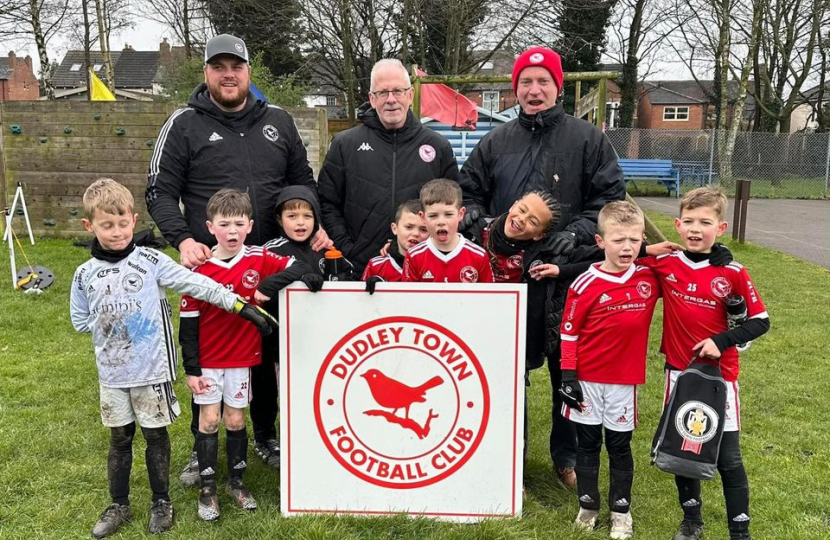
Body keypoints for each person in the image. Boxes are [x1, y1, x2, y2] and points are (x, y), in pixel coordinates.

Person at [145, 33, 330, 481]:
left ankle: (265, 435)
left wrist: (315, 224)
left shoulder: (280, 121)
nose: (229, 75)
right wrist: (182, 239)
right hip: (211, 268)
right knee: (209, 353)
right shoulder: (184, 123)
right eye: (219, 67)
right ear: (206, 73)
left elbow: (302, 181)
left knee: (266, 349)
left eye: (237, 67)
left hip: (268, 264)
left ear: (249, 72)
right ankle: (201, 442)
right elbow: (159, 191)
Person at [70, 179, 277, 538]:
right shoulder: (84, 274)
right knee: (119, 439)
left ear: (133, 221)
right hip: (113, 375)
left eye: (123, 224)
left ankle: (160, 502)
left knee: (154, 436)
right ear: (90, 226)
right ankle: (119, 503)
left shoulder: (151, 261)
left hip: (152, 372)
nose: (117, 232)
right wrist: (114, 323)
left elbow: (199, 285)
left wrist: (241, 306)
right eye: (107, 225)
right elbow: (79, 320)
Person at [458, 46, 626, 486]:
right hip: (508, 278)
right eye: (526, 83)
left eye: (543, 82)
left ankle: (565, 457)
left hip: (567, 276)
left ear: (557, 87)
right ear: (516, 89)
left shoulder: (587, 139)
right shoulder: (495, 141)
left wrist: (577, 232)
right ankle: (507, 448)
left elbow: (609, 197)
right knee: (504, 368)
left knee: (565, 367)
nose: (534, 91)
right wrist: (484, 222)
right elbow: (468, 193)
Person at [178, 189, 321, 521]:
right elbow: (188, 327)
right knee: (210, 420)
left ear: (250, 225)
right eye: (224, 224)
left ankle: (237, 484)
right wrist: (191, 369)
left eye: (239, 224)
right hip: (209, 362)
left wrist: (270, 286)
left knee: (236, 420)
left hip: (243, 360)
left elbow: (299, 265)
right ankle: (208, 490)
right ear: (209, 227)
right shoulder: (197, 271)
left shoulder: (258, 258)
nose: (232, 231)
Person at [638, 187, 770, 540]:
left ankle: (739, 532)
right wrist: (649, 248)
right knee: (686, 454)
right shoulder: (666, 265)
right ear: (678, 225)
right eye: (690, 222)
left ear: (721, 227)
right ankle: (692, 522)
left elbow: (760, 321)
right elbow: (615, 252)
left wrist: (721, 340)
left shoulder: (733, 271)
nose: (697, 229)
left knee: (728, 458)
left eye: (706, 222)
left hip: (719, 379)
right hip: (679, 376)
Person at [558, 201, 662, 540]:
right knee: (587, 445)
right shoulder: (585, 283)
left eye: (634, 240)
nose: (627, 247)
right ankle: (588, 507)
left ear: (642, 240)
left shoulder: (649, 277)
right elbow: (569, 332)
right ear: (601, 241)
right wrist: (569, 377)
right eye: (618, 240)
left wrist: (715, 252)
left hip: (623, 383)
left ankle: (621, 512)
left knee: (619, 446)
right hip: (587, 381)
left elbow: (688, 266)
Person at [319, 58, 459, 274]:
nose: (391, 100)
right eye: (383, 93)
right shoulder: (345, 144)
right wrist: (348, 249)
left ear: (410, 95)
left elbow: (452, 207)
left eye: (398, 91)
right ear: (372, 99)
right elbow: (328, 203)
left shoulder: (437, 146)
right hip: (359, 268)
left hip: (423, 270)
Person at [402, 179, 493, 284]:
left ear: (461, 214)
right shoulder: (413, 256)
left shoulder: (479, 256)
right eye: (433, 215)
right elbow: (408, 298)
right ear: (423, 218)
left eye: (448, 214)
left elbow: (487, 298)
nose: (441, 222)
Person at [363, 199, 428, 290]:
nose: (416, 233)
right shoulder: (376, 265)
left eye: (424, 229)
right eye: (409, 227)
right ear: (395, 228)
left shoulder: (436, 264)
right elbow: (360, 300)